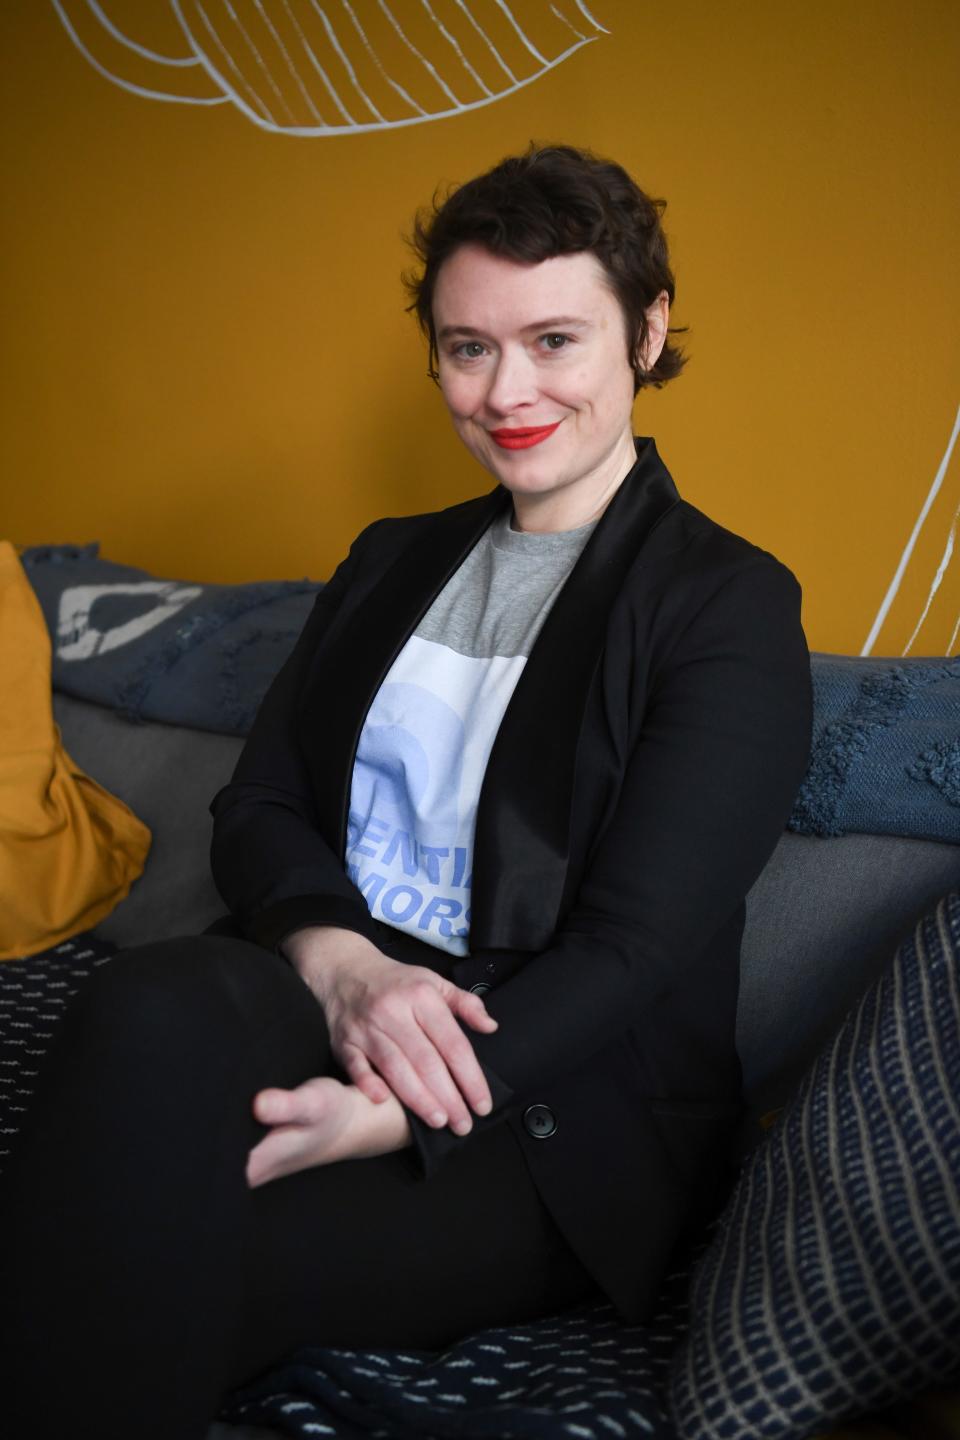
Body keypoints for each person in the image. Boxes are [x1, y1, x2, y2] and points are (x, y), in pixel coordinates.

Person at [0, 144, 812, 1439]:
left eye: (555, 339)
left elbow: (634, 949)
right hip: (329, 994)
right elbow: (259, 806)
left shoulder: (727, 603)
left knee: (162, 1248)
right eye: (466, 348)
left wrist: (385, 1116)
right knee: (146, 1007)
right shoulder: (393, 560)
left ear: (647, 333)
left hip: (543, 1105)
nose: (507, 390)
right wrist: (341, 966)